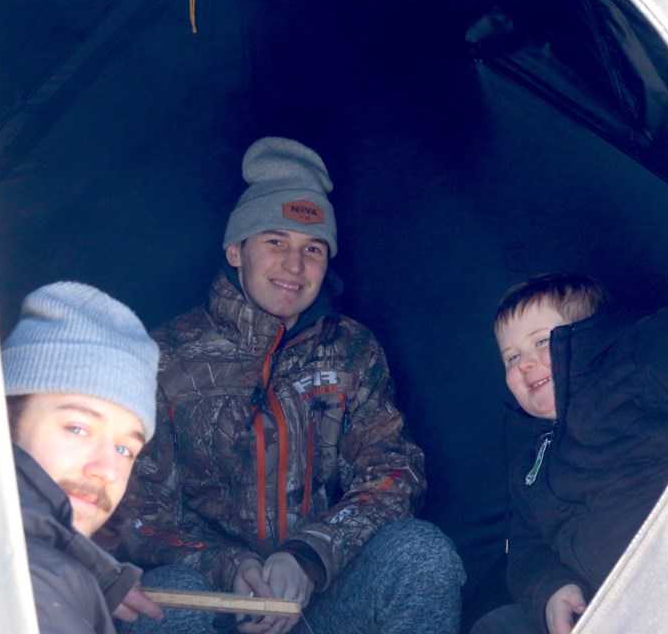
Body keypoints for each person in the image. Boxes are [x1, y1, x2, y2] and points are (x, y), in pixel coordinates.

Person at [96, 136, 465, 634]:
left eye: (312, 249)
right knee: (169, 605)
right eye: (276, 242)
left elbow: (394, 472)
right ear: (235, 250)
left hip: (323, 595)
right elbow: (136, 513)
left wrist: (310, 555)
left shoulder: (352, 348)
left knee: (421, 553)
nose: (295, 266)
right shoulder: (164, 356)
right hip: (216, 602)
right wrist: (232, 568)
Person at [470, 272, 668, 634]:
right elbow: (525, 548)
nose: (524, 363)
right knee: (496, 626)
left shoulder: (639, 356)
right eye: (511, 356)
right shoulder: (527, 460)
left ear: (589, 333)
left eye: (541, 342)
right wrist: (552, 589)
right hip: (610, 605)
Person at [2, 281, 166, 633]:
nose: (107, 469)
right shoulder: (31, 590)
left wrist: (90, 581)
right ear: (3, 420)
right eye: (77, 429)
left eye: (125, 449)